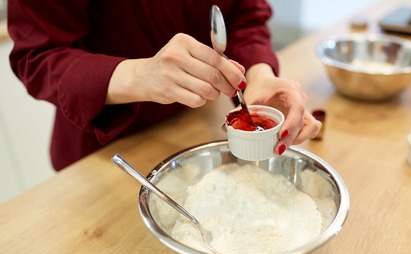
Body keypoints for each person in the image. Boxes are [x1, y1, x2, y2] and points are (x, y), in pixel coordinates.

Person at [7, 0, 321, 171]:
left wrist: (259, 75)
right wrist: (139, 75)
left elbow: (243, 14)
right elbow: (37, 56)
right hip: (104, 156)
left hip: (190, 129)